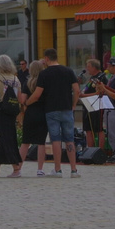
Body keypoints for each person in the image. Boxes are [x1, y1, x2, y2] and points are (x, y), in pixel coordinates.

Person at [26, 48, 81, 178]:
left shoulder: (44, 74)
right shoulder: (68, 71)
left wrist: (27, 102)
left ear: (46, 58)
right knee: (69, 139)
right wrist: (73, 104)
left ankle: (58, 169)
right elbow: (77, 90)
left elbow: (38, 94)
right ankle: (74, 170)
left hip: (51, 110)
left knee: (55, 139)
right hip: (67, 109)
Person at [0, 54, 25, 177]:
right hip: (12, 110)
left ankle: (16, 168)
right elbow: (20, 99)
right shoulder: (16, 79)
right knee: (4, 136)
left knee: (6, 137)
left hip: (1, 110)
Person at [20, 60, 51, 176]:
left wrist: (27, 104)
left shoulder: (26, 83)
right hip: (42, 113)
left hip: (30, 113)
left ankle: (18, 167)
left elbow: (23, 100)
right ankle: (40, 169)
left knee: (25, 142)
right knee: (41, 142)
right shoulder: (45, 82)